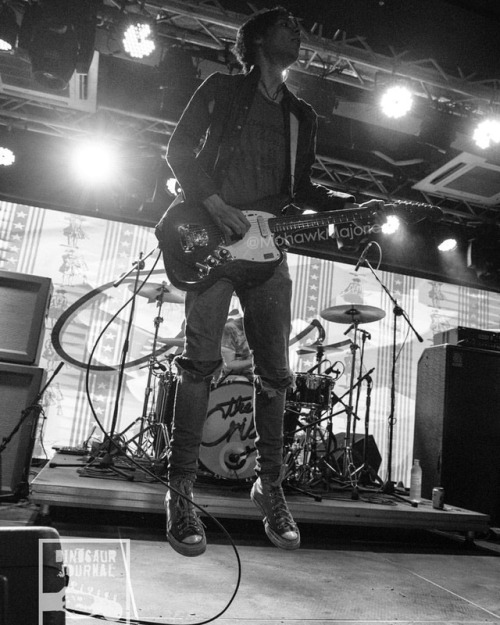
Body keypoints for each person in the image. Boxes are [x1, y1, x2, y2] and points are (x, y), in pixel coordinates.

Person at [156, 5, 376, 557]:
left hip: (267, 251)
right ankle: (181, 489)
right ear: (255, 40)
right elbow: (179, 151)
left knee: (276, 373)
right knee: (200, 364)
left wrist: (351, 206)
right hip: (211, 236)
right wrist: (214, 203)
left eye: (299, 27)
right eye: (286, 26)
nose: (298, 32)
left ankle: (270, 485)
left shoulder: (303, 114)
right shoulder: (222, 89)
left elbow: (301, 190)